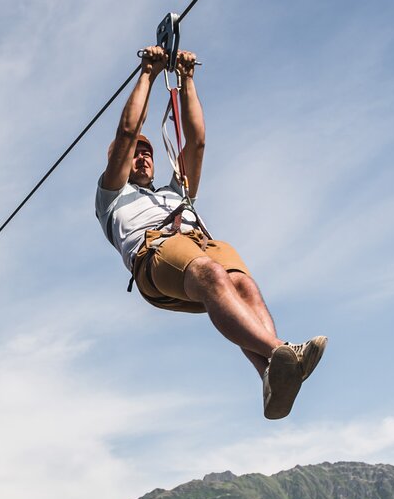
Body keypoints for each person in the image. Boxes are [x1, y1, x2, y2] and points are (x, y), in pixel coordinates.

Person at [94, 45, 326, 419]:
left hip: (197, 242)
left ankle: (271, 376)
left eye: (147, 153)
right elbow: (126, 131)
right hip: (154, 254)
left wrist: (187, 80)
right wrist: (148, 74)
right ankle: (281, 351)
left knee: (243, 286)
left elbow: (197, 142)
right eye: (134, 153)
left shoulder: (175, 191)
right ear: (117, 162)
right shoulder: (111, 194)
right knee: (210, 273)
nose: (142, 156)